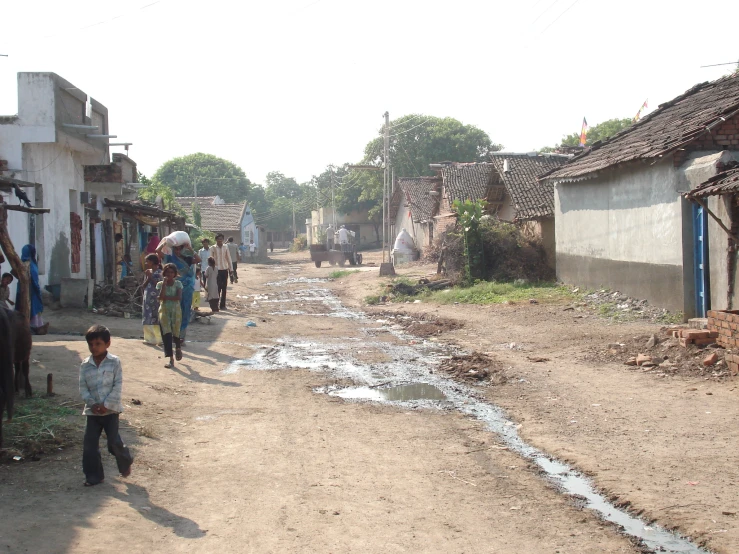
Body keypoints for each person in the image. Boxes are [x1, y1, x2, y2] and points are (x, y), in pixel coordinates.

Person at [79, 324, 134, 487]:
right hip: (92, 412)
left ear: (107, 344)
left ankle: (125, 461)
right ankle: (94, 476)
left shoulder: (114, 362)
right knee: (89, 446)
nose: (94, 348)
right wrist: (93, 404)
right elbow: (83, 388)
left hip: (111, 411)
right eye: (91, 344)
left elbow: (118, 386)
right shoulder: (85, 365)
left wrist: (106, 404)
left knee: (113, 443)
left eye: (98, 344)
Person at [156, 241, 198, 345]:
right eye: (176, 249)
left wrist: (191, 249)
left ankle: (181, 337)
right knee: (168, 314)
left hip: (186, 289)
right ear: (173, 249)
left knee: (184, 311)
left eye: (180, 249)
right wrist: (164, 243)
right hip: (171, 287)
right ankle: (168, 338)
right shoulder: (170, 259)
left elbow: (198, 259)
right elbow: (157, 251)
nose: (178, 251)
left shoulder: (187, 258)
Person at [15, 244, 48, 335]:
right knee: (33, 308)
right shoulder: (31, 265)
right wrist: (38, 291)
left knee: (23, 308)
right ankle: (32, 327)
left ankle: (25, 327)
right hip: (31, 291)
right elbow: (34, 280)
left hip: (22, 291)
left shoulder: (21, 263)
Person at [157, 263, 183, 368]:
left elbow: (178, 297)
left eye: (172, 272)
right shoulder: (160, 284)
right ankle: (171, 359)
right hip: (164, 311)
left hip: (176, 311)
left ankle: (178, 347)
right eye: (167, 272)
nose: (169, 274)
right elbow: (161, 296)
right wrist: (164, 284)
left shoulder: (178, 284)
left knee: (176, 332)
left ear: (175, 274)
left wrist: (165, 298)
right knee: (166, 334)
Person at [141, 254, 162, 346]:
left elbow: (159, 285)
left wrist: (151, 277)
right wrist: (148, 277)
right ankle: (148, 338)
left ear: (153, 262)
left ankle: (158, 339)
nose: (146, 263)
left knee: (155, 318)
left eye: (148, 261)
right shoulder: (148, 272)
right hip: (147, 298)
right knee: (147, 317)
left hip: (156, 299)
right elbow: (143, 285)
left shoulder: (160, 272)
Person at [210, 233, 232, 310]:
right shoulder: (212, 248)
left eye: (221, 239)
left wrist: (231, 269)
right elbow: (210, 260)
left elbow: (228, 258)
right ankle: (216, 304)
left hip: (224, 270)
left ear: (223, 239)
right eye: (218, 239)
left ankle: (223, 305)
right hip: (216, 270)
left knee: (224, 288)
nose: (220, 240)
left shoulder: (226, 247)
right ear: (216, 239)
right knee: (217, 288)